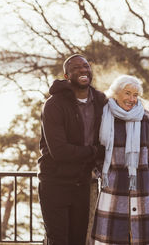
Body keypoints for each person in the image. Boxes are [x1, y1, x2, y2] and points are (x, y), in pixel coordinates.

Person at [38, 54, 107, 245]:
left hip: (82, 184)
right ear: (67, 76)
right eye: (76, 68)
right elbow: (59, 152)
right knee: (58, 240)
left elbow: (124, 118)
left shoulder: (100, 101)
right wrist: (95, 152)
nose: (83, 70)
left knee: (78, 240)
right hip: (55, 183)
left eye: (86, 66)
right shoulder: (54, 105)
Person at [90, 75, 149, 245]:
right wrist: (102, 172)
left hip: (143, 191)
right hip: (113, 190)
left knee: (146, 239)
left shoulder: (146, 118)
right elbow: (96, 150)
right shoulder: (104, 118)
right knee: (110, 239)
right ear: (116, 93)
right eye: (127, 93)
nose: (132, 99)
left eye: (135, 95)